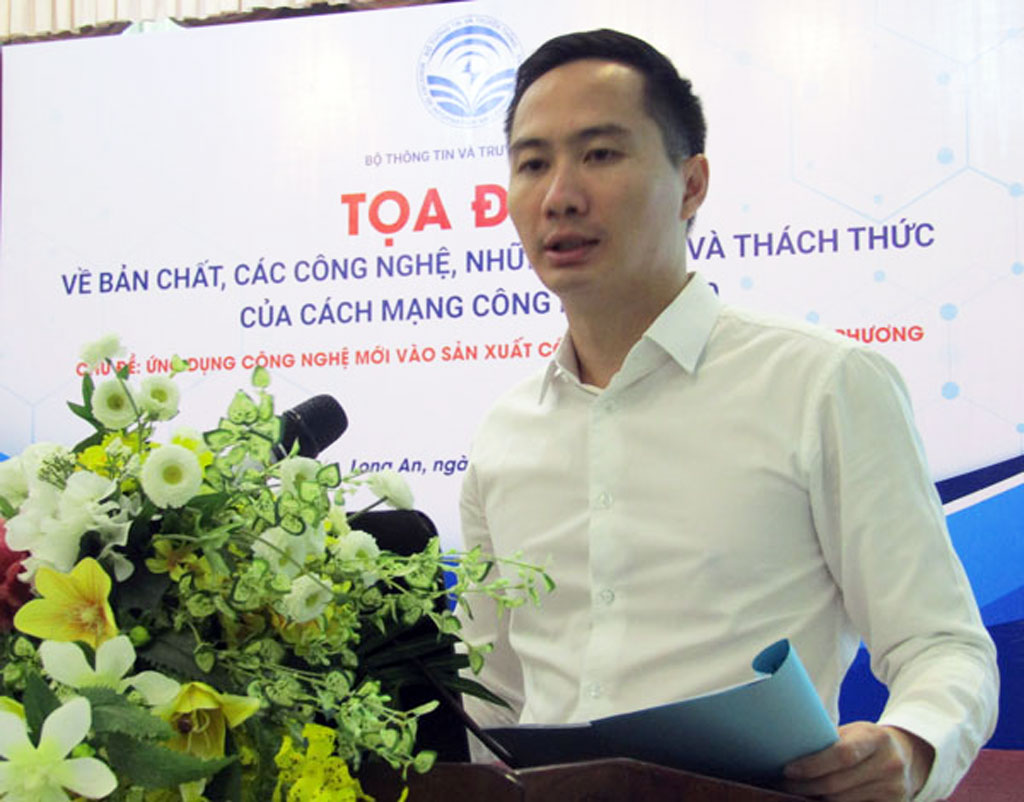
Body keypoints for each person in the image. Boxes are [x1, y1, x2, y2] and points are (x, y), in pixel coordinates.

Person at [458, 28, 998, 802]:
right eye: (532, 163)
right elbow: (489, 698)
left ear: (691, 184)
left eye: (600, 154)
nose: (560, 196)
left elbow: (943, 644)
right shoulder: (504, 437)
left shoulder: (823, 385)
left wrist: (910, 745)